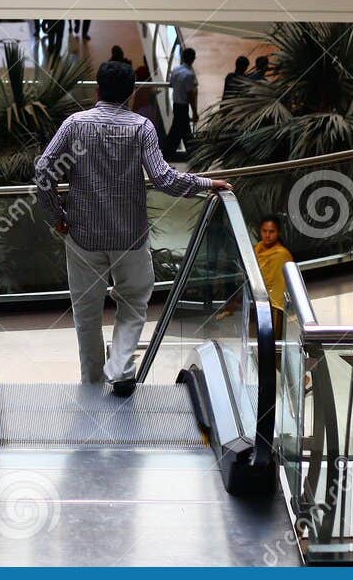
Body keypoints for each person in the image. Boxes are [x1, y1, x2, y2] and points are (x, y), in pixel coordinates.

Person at [35, 59, 232, 394]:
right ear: (131, 93)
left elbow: (43, 173)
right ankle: (121, 367)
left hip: (82, 235)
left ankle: (92, 384)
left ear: (98, 89)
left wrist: (58, 219)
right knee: (134, 300)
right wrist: (207, 182)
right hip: (130, 237)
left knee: (86, 314)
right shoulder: (141, 127)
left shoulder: (74, 125)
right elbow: (164, 179)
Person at [162, 46, 200, 159]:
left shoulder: (175, 70)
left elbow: (171, 84)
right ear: (193, 59)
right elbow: (190, 95)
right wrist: (194, 112)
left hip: (176, 104)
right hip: (183, 106)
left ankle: (167, 154)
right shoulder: (189, 75)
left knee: (179, 131)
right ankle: (192, 155)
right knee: (182, 132)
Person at [253, 215, 292, 315]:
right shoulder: (256, 248)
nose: (267, 235)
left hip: (270, 303)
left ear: (278, 233)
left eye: (271, 232)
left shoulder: (282, 255)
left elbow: (278, 285)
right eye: (264, 231)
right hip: (254, 296)